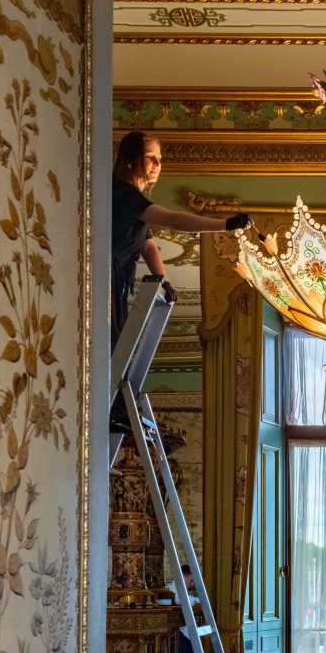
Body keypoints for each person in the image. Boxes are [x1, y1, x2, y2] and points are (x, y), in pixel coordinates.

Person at [110, 130, 251, 430]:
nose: (158, 164)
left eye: (160, 159)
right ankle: (112, 409)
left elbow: (147, 244)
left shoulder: (129, 199)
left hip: (118, 283)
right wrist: (223, 224)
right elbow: (174, 220)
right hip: (107, 282)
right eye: (150, 157)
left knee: (119, 344)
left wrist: (163, 280)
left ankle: (116, 409)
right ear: (129, 159)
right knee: (113, 344)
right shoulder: (123, 195)